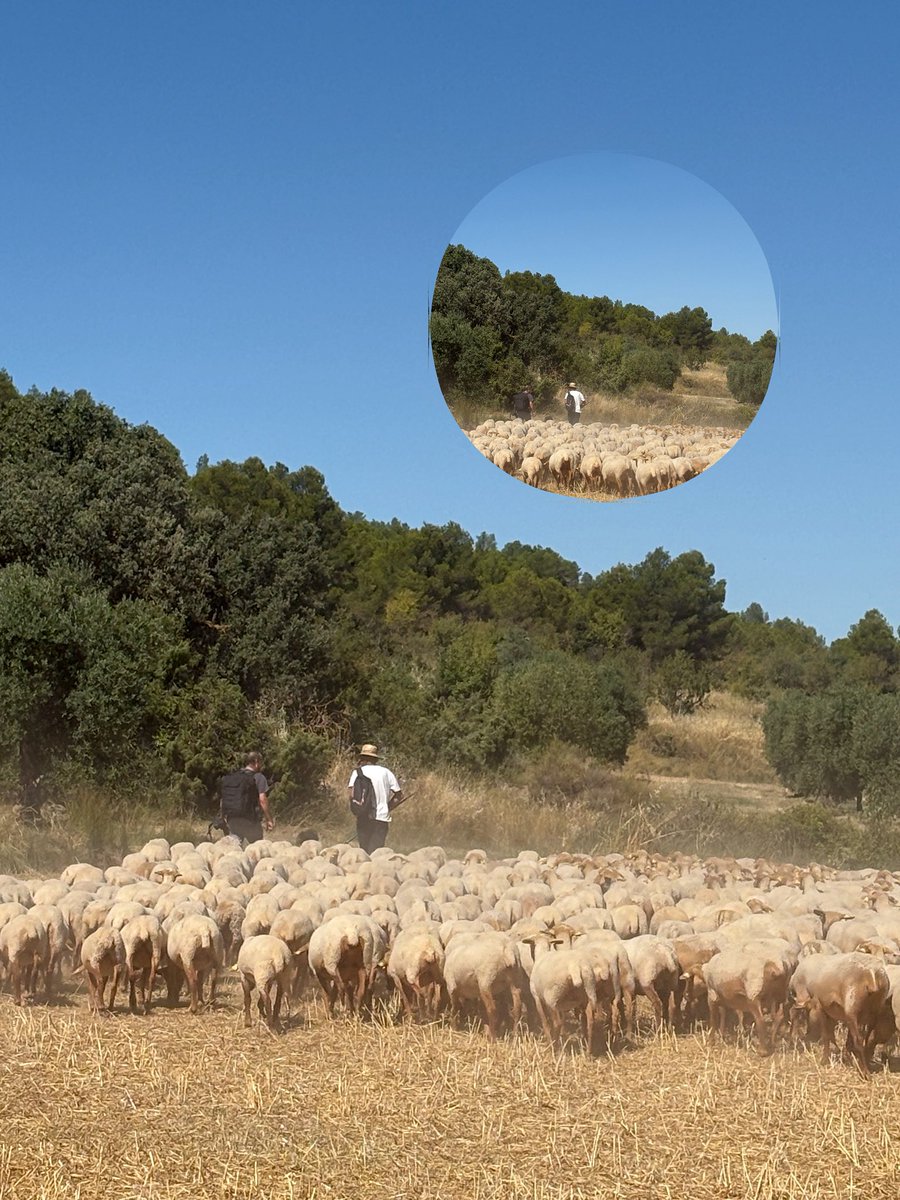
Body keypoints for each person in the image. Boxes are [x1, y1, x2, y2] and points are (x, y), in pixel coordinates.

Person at [347, 743, 402, 855]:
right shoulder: (386, 772)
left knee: (364, 852)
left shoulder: (357, 772)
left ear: (362, 758)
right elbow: (399, 795)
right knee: (376, 853)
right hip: (381, 818)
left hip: (363, 817)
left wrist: (359, 809)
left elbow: (351, 794)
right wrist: (388, 807)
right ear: (375, 759)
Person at [219, 751, 275, 844]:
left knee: (235, 847)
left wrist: (223, 816)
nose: (261, 765)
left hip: (232, 819)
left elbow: (223, 799)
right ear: (256, 762)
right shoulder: (258, 777)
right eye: (261, 762)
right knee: (257, 848)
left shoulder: (234, 777)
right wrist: (269, 819)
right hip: (250, 820)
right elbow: (262, 799)